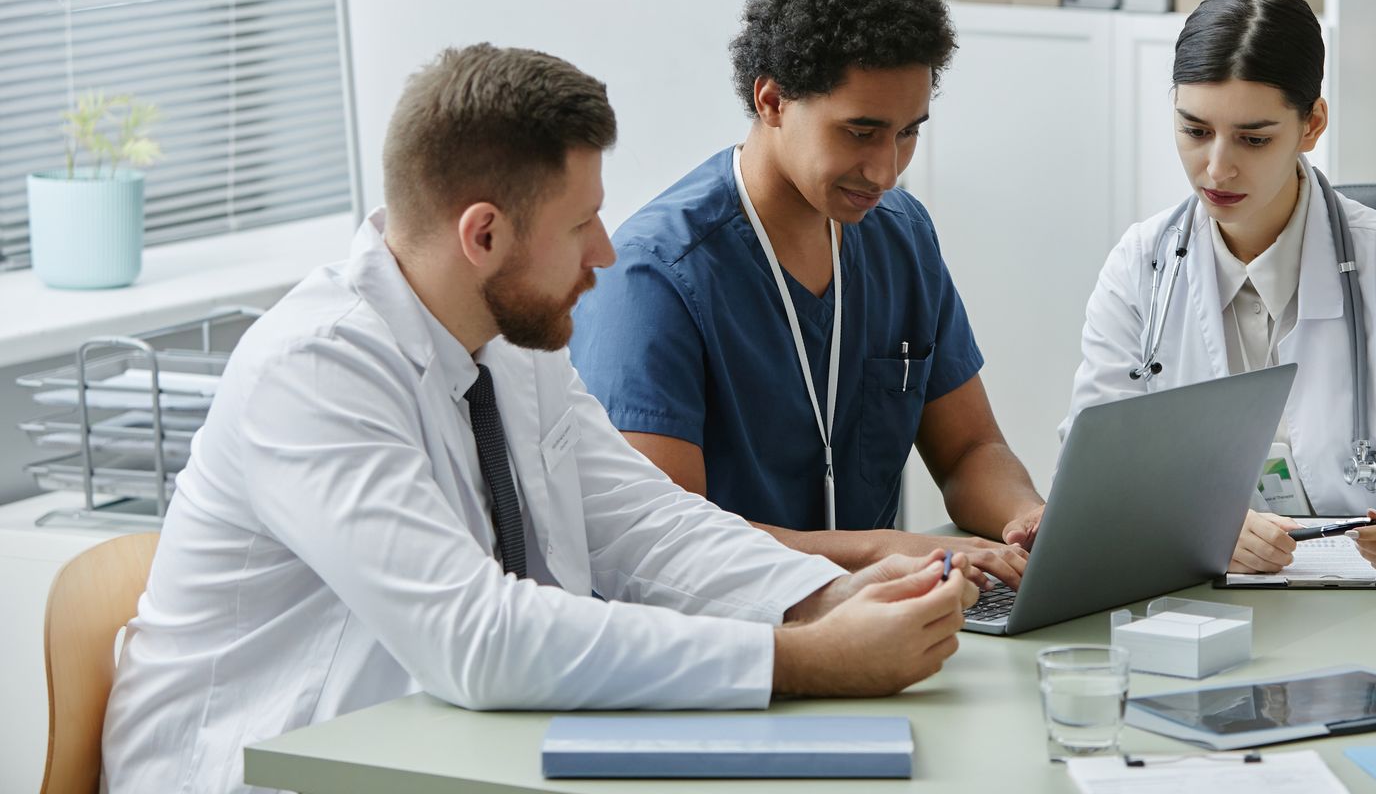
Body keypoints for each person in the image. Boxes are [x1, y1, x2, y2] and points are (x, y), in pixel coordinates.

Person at [102, 44, 977, 794]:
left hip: (452, 752)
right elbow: (475, 635)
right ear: (482, 236)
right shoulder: (315, 370)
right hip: (277, 773)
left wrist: (822, 596)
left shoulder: (510, 339)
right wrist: (810, 661)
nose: (605, 252)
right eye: (582, 224)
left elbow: (643, 522)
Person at [572, 0, 1043, 590]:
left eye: (909, 132)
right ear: (771, 101)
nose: (886, 168)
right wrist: (886, 551)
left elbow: (969, 451)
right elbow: (664, 541)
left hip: (885, 618)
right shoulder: (653, 276)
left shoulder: (900, 236)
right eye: (860, 131)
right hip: (734, 645)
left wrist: (1027, 516)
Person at [1060, 0, 1376, 581]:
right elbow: (1090, 475)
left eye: (1253, 138)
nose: (1217, 168)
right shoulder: (1142, 268)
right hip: (1206, 605)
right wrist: (1196, 521)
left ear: (1311, 124)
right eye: (1195, 131)